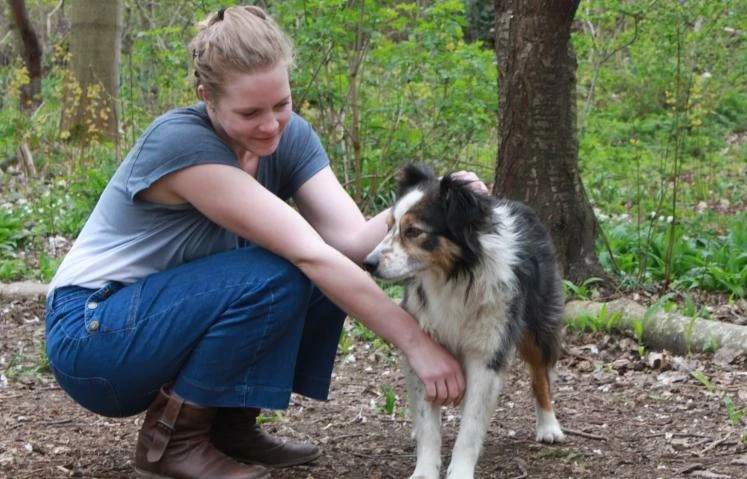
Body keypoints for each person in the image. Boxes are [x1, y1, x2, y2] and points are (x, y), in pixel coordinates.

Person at [44, 6, 479, 479]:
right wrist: (416, 343)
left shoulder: (287, 139)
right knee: (283, 269)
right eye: (250, 112)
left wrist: (439, 196)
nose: (271, 125)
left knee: (311, 269)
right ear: (205, 96)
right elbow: (309, 253)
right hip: (93, 338)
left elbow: (353, 242)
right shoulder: (182, 145)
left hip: (156, 323)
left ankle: (226, 429)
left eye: (282, 104)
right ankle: (171, 445)